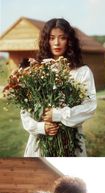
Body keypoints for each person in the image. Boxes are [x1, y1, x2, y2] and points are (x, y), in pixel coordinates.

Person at [21, 18, 97, 157]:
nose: (56, 43)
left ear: (69, 41)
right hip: (40, 140)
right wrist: (41, 127)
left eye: (62, 38)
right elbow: (25, 109)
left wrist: (57, 115)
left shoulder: (81, 71)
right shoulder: (35, 70)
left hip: (70, 140)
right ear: (46, 40)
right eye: (51, 38)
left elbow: (89, 107)